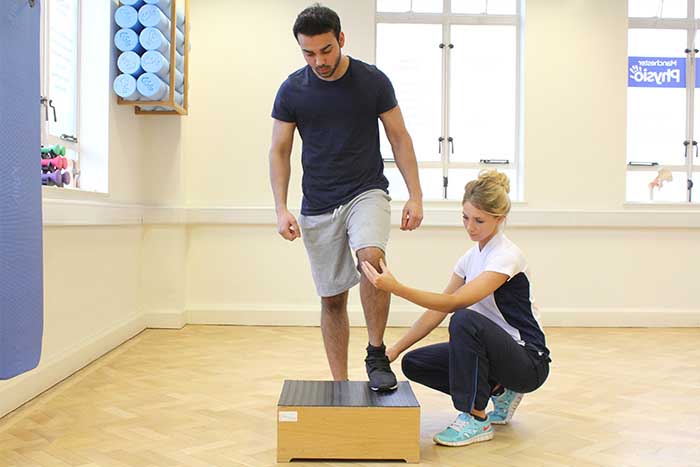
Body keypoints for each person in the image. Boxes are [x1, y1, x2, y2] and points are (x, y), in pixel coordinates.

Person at [268, 3, 423, 392]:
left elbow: (399, 137)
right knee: (332, 300)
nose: (318, 60)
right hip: (318, 203)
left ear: (340, 39)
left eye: (325, 50)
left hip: (365, 189)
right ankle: (340, 384)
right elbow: (279, 150)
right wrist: (281, 207)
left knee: (371, 258)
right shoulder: (292, 89)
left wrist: (415, 195)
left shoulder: (372, 81)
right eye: (309, 53)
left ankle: (376, 353)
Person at [361, 170, 550, 446]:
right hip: (497, 356)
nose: (470, 227)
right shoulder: (470, 258)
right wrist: (394, 350)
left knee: (464, 320)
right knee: (415, 364)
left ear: (500, 219)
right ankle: (499, 390)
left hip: (528, 361)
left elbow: (454, 304)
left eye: (479, 220)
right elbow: (437, 311)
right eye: (465, 217)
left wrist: (395, 287)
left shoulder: (506, 257)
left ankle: (476, 418)